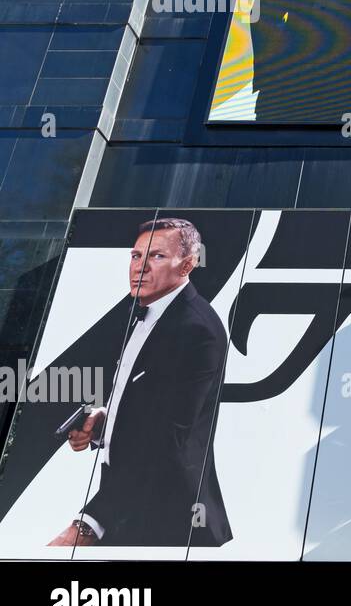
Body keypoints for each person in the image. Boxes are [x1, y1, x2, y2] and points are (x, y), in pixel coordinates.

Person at [49, 219, 232, 548]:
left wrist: (88, 524)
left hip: (169, 522)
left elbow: (165, 441)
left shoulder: (196, 330)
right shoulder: (148, 314)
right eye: (135, 256)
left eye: (157, 256)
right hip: (128, 509)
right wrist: (105, 421)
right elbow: (147, 406)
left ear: (188, 264)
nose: (140, 267)